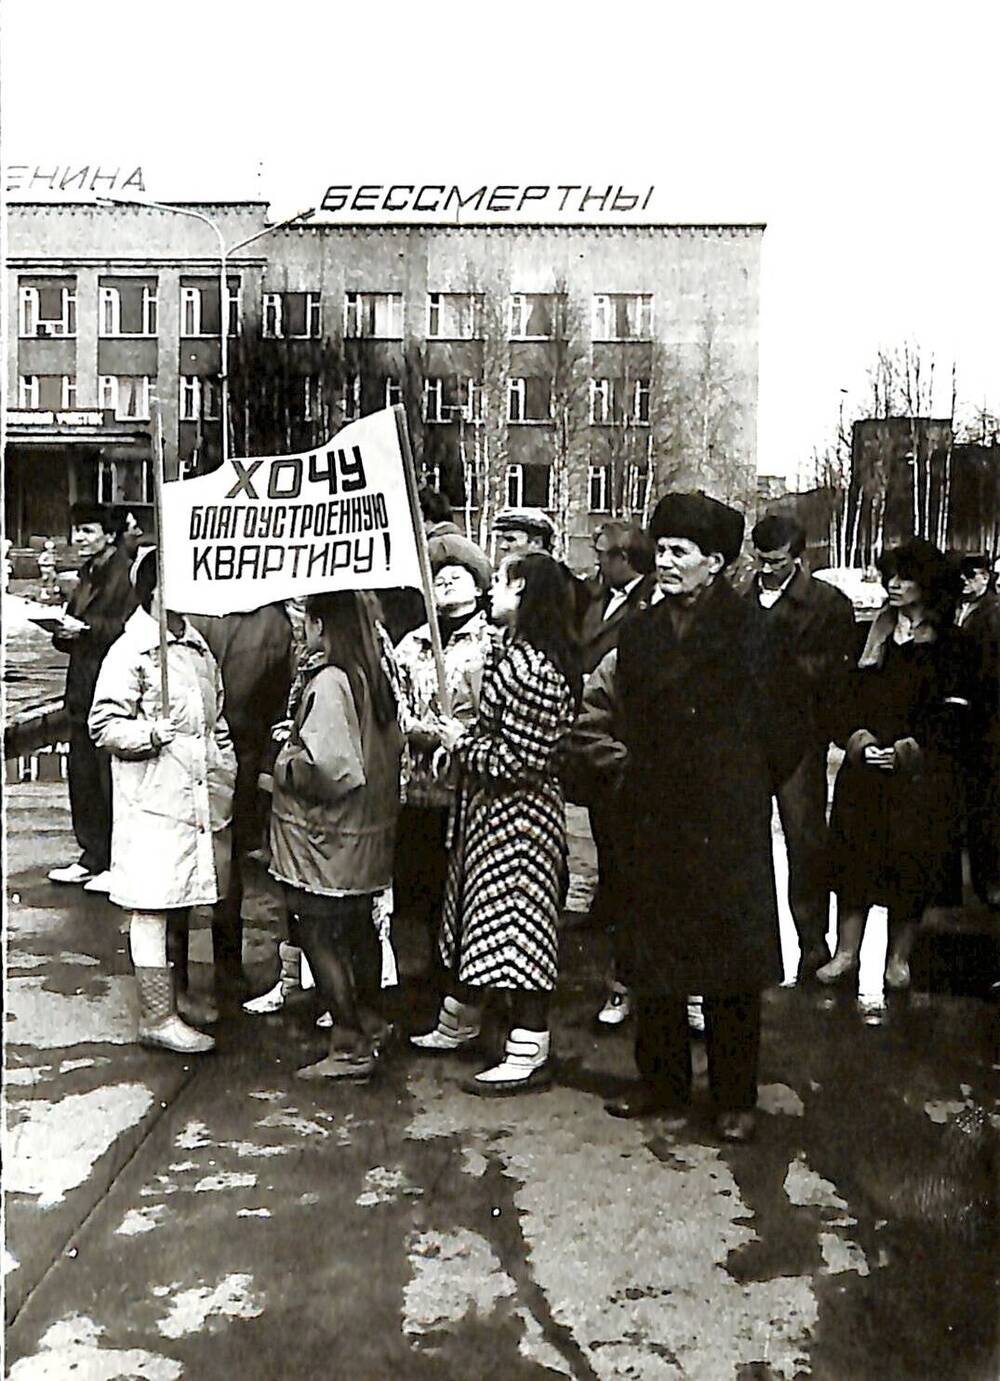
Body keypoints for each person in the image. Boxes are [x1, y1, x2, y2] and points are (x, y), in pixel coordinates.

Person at [573, 492, 801, 1142]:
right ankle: (662, 1083)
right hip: (653, 813)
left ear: (716, 561)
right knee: (656, 958)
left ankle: (735, 1096)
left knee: (730, 965)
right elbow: (618, 713)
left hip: (725, 821)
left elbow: (788, 725)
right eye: (662, 550)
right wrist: (629, 776)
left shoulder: (754, 632)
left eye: (680, 553)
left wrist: (742, 782)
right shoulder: (642, 633)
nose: (665, 562)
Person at [411, 552, 581, 1095]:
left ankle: (528, 1046)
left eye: (505, 582)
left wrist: (460, 744)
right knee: (479, 919)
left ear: (526, 593)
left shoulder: (530, 667)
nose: (493, 592)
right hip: (494, 817)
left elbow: (521, 759)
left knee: (514, 933)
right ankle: (458, 1021)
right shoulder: (520, 655)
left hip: (519, 822)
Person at [88, 550, 236, 1054]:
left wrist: (224, 772)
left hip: (195, 797)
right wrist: (150, 733)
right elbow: (103, 724)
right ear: (157, 590)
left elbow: (217, 721)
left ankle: (177, 999)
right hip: (151, 798)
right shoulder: (130, 653)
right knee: (151, 906)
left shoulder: (195, 648)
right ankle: (157, 1014)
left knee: (183, 898)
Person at [820, 539, 970, 989]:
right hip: (864, 770)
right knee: (854, 863)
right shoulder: (869, 634)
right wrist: (858, 742)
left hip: (918, 779)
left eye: (905, 576)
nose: (894, 584)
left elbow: (958, 712)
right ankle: (847, 954)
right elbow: (840, 699)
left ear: (928, 584)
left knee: (909, 866)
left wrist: (911, 750)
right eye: (890, 575)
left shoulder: (952, 644)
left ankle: (898, 960)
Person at [268, 591, 402, 1081]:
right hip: (364, 837)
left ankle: (349, 1043)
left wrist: (286, 759)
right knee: (360, 929)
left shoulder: (329, 681)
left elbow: (332, 769)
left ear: (321, 624)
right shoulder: (372, 674)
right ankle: (370, 1020)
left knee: (317, 933)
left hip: (325, 841)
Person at [743, 511, 856, 980]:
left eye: (777, 561)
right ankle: (748, 946)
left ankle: (813, 944)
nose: (766, 569)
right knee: (744, 844)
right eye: (761, 560)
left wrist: (778, 667)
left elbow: (836, 672)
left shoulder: (827, 604)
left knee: (805, 844)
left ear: (798, 557)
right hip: (745, 739)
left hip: (799, 739)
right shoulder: (738, 597)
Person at [189, 603, 294, 998]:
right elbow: (283, 700)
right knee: (233, 858)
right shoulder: (277, 622)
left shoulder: (195, 611)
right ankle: (231, 964)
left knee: (203, 855)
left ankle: (182, 973)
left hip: (201, 748)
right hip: (250, 750)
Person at [393, 544, 493, 956]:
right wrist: (414, 728)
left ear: (479, 585)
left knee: (457, 883)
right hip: (414, 784)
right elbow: (392, 699)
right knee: (416, 882)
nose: (447, 579)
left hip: (464, 784)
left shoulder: (490, 643)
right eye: (439, 575)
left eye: (459, 572)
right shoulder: (412, 643)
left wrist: (454, 736)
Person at [579, 522, 657, 1026]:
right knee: (626, 884)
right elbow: (595, 711)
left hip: (688, 789)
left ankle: (690, 994)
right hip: (629, 782)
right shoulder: (625, 628)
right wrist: (619, 760)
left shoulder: (722, 632)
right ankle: (623, 985)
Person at [48, 502, 137, 892]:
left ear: (109, 534)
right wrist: (60, 631)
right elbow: (73, 624)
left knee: (108, 778)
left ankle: (115, 860)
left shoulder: (124, 575)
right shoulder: (85, 576)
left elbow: (128, 627)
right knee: (82, 776)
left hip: (111, 686)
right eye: (76, 532)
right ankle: (91, 856)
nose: (79, 539)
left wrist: (85, 630)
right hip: (81, 686)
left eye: (87, 531)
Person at [955, 554, 1000, 906]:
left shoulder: (993, 614)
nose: (966, 582)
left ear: (986, 577)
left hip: (985, 717)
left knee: (985, 803)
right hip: (961, 718)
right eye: (963, 577)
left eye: (972, 576)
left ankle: (989, 883)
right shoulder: (957, 609)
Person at [492, 506, 592, 634]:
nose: (503, 546)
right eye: (501, 539)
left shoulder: (569, 588)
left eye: (511, 539)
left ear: (537, 543)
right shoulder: (502, 585)